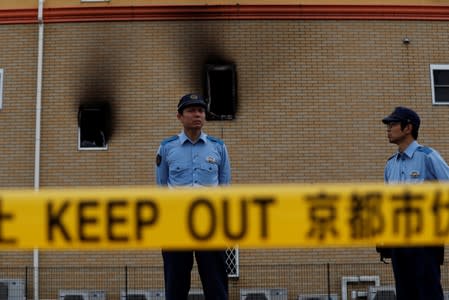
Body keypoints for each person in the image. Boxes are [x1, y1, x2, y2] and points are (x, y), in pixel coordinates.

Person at [155, 93, 231, 300]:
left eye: (200, 110)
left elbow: (224, 187)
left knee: (216, 284)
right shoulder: (167, 147)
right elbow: (162, 187)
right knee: (175, 284)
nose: (197, 114)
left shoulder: (218, 147)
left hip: (210, 224)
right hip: (176, 224)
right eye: (191, 110)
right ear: (180, 116)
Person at [382, 106, 449, 300]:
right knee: (404, 293)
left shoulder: (428, 156)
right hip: (398, 240)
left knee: (428, 293)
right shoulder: (390, 164)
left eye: (393, 124)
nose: (388, 129)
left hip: (425, 239)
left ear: (408, 128)